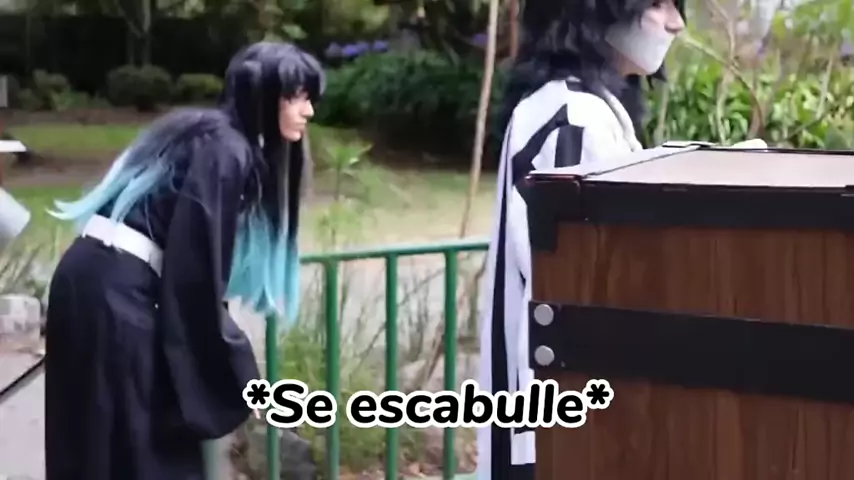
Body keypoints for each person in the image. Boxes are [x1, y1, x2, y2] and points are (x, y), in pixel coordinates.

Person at [43, 41, 324, 480]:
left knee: (95, 442)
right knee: (136, 446)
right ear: (264, 95)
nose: (308, 111)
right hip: (116, 292)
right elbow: (195, 267)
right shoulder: (227, 149)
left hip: (91, 279)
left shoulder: (204, 132)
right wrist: (237, 369)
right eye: (297, 97)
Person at [477, 1, 686, 479]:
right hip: (557, 427)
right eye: (657, 3)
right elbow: (576, 291)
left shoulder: (577, 106)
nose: (675, 23)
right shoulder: (574, 117)